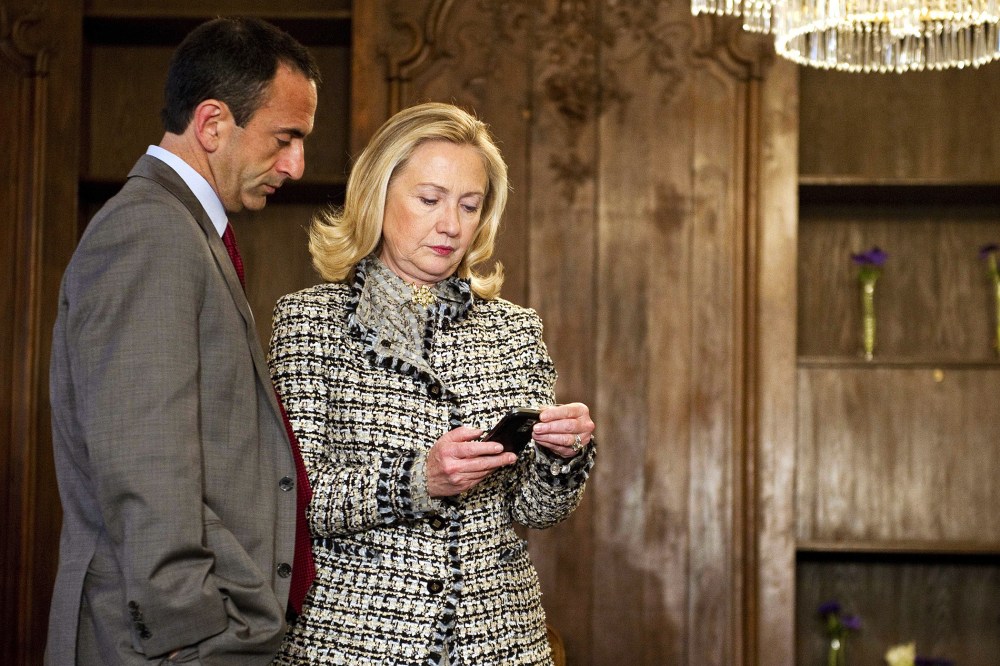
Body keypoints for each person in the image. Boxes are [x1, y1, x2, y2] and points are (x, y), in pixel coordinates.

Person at [268, 102, 597, 665]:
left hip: (499, 644)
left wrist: (561, 457)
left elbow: (535, 512)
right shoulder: (309, 321)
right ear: (377, 195)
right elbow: (294, 501)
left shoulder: (515, 330)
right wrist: (418, 480)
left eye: (469, 205)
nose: (451, 225)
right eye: (430, 200)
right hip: (352, 644)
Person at [46, 17, 321, 665]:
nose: (296, 165)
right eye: (285, 138)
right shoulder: (151, 231)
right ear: (213, 123)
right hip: (168, 646)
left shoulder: (183, 228)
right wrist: (196, 634)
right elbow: (143, 463)